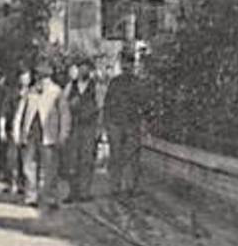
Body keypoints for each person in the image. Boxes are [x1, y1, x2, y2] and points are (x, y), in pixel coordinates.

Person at [13, 59, 70, 210]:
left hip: (49, 135)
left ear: (49, 77)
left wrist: (63, 134)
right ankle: (31, 195)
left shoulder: (57, 92)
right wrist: (17, 132)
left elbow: (65, 115)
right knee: (28, 166)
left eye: (44, 77)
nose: (41, 80)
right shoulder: (30, 92)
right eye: (39, 76)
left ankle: (50, 197)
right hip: (31, 134)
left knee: (50, 167)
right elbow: (19, 113)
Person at [102, 51, 145, 198]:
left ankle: (131, 186)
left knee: (132, 156)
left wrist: (141, 122)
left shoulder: (138, 83)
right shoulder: (115, 82)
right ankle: (115, 187)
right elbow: (107, 104)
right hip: (116, 124)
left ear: (133, 65)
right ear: (122, 65)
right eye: (125, 63)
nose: (127, 66)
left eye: (130, 63)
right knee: (116, 156)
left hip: (132, 124)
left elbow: (143, 104)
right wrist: (107, 124)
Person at [65, 61, 100, 203]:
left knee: (87, 160)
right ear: (77, 70)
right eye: (81, 68)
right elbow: (63, 106)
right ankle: (73, 192)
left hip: (89, 127)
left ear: (90, 71)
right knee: (72, 160)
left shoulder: (95, 87)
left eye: (86, 69)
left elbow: (100, 107)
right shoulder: (70, 86)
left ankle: (85, 192)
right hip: (74, 127)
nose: (83, 71)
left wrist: (99, 128)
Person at [5, 68, 32, 196]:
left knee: (26, 160)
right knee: (12, 159)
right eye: (22, 78)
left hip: (28, 131)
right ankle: (13, 184)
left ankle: (26, 186)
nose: (24, 80)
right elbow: (4, 112)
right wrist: (2, 128)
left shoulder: (33, 94)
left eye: (27, 78)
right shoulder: (11, 94)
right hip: (14, 129)